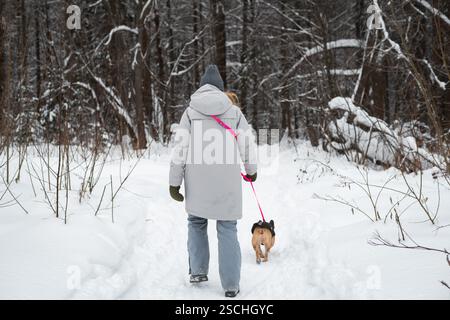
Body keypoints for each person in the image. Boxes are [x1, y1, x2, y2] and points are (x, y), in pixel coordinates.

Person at [169, 65, 257, 298]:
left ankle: (198, 271)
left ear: (201, 87)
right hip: (227, 182)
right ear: (220, 88)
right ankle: (230, 285)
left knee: (196, 222)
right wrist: (251, 170)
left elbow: (180, 149)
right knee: (227, 228)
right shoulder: (234, 112)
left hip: (197, 182)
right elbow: (247, 143)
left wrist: (174, 182)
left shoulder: (189, 112)